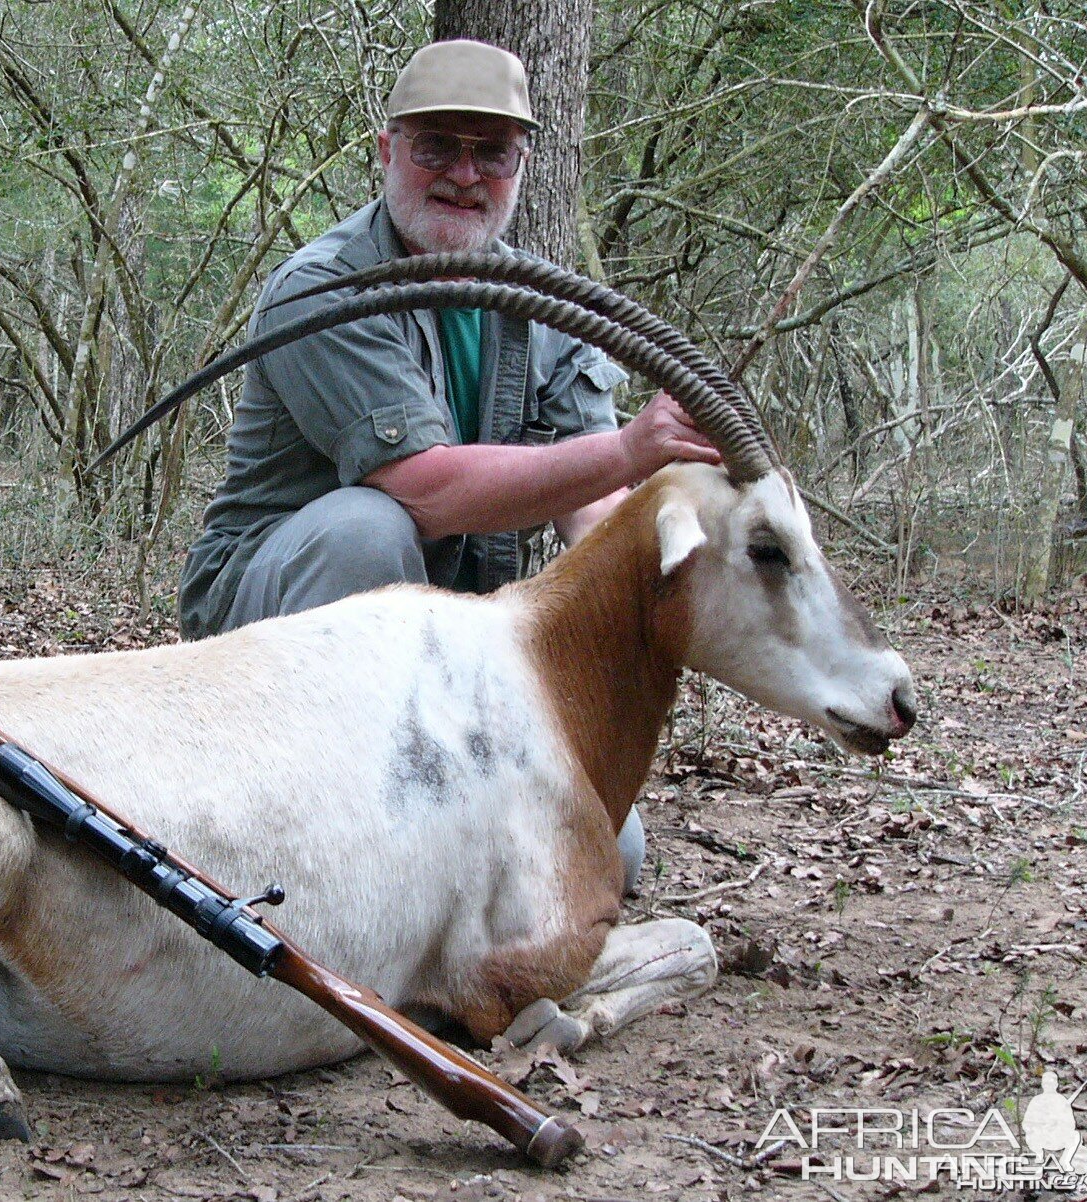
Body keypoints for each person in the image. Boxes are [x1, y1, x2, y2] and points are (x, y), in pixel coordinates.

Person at [178, 40, 722, 893]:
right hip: (272, 629)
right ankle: (327, 852)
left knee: (610, 854)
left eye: (491, 152)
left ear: (522, 166)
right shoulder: (321, 286)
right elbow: (428, 491)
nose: (464, 175)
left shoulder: (548, 307)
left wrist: (675, 542)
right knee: (368, 526)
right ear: (387, 149)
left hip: (446, 643)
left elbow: (597, 511)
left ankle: (423, 862)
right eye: (437, 145)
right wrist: (628, 447)